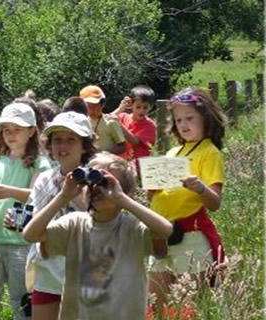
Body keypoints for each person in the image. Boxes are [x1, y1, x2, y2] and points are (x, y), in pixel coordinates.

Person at [22, 152, 173, 320]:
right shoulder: (73, 224)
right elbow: (30, 235)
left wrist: (122, 199)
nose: (97, 189)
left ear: (124, 192)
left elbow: (165, 230)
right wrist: (64, 196)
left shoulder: (133, 227)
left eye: (106, 183)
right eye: (91, 182)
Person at [147, 87, 228, 311]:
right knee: (155, 305)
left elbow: (215, 204)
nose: (183, 124)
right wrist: (151, 189)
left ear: (206, 117)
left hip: (191, 237)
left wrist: (200, 187)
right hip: (161, 236)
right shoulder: (173, 153)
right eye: (178, 119)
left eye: (190, 118)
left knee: (188, 307)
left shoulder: (209, 152)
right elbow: (154, 199)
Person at [15, 111, 97, 320]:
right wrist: (17, 222)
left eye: (71, 140)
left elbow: (100, 223)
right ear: (49, 145)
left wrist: (76, 195)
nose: (63, 146)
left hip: (85, 271)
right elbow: (32, 220)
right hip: (47, 270)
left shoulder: (97, 177)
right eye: (57, 140)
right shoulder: (45, 179)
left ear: (85, 145)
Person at [0, 102, 51, 320]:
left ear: (31, 131)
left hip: (22, 242)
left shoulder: (40, 164)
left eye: (17, 129)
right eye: (6, 130)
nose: (11, 134)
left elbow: (39, 197)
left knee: (22, 301)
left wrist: (9, 191)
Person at [111, 85, 157, 161]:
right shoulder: (123, 117)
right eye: (138, 107)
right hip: (121, 161)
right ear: (131, 105)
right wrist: (120, 108)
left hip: (138, 164)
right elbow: (107, 119)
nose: (141, 110)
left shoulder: (149, 125)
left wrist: (119, 125)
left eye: (145, 107)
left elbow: (134, 141)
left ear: (151, 107)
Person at [79, 85, 126, 154]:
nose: (91, 109)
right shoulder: (81, 122)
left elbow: (122, 146)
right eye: (88, 106)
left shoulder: (111, 122)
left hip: (106, 162)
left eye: (95, 105)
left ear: (102, 104)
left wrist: (103, 153)